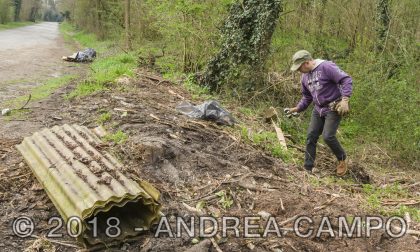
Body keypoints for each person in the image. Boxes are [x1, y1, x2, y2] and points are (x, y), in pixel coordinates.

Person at [286, 50, 352, 176]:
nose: (299, 71)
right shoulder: (304, 77)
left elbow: (346, 79)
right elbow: (307, 97)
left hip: (334, 107)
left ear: (306, 63)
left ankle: (342, 158)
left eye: (299, 68)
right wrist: (297, 108)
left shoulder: (326, 67)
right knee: (311, 136)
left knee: (328, 136)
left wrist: (345, 100)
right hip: (318, 108)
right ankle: (307, 168)